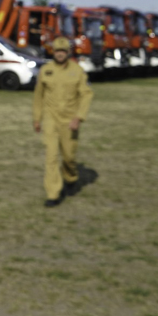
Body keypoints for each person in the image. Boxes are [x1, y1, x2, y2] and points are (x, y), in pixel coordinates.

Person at [32, 36, 93, 207]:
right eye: (57, 51)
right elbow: (38, 96)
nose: (59, 54)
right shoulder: (46, 70)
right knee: (51, 156)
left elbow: (86, 94)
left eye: (63, 51)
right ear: (53, 52)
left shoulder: (78, 71)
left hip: (70, 120)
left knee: (68, 157)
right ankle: (53, 194)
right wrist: (37, 118)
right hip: (51, 119)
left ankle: (71, 177)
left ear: (68, 52)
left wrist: (79, 117)